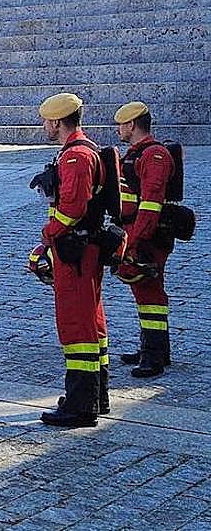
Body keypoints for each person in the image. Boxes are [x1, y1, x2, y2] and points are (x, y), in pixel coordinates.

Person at [34, 93, 110, 428]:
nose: (45, 127)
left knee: (76, 326)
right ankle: (96, 395)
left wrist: (47, 235)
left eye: (46, 121)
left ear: (56, 121)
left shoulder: (75, 157)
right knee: (92, 323)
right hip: (83, 250)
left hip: (75, 253)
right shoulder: (84, 150)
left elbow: (74, 208)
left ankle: (81, 405)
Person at [113, 101, 176, 378]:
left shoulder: (154, 155)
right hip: (135, 231)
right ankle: (154, 348)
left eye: (121, 124)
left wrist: (135, 242)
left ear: (132, 125)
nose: (118, 129)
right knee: (144, 292)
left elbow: (150, 205)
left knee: (151, 293)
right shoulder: (137, 153)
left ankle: (154, 356)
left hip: (148, 236)